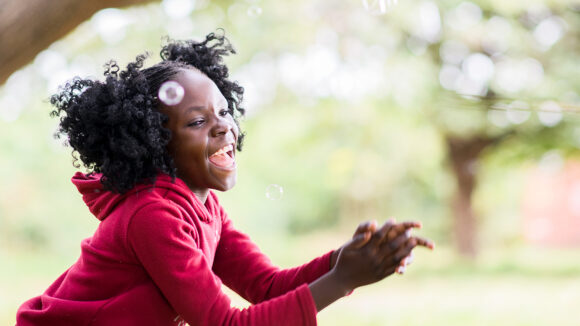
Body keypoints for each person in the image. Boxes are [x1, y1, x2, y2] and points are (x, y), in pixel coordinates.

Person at [16, 31, 434, 326]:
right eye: (197, 120)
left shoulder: (204, 208)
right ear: (153, 141)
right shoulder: (150, 214)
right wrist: (341, 279)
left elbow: (267, 286)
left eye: (224, 112)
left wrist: (346, 259)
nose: (223, 128)